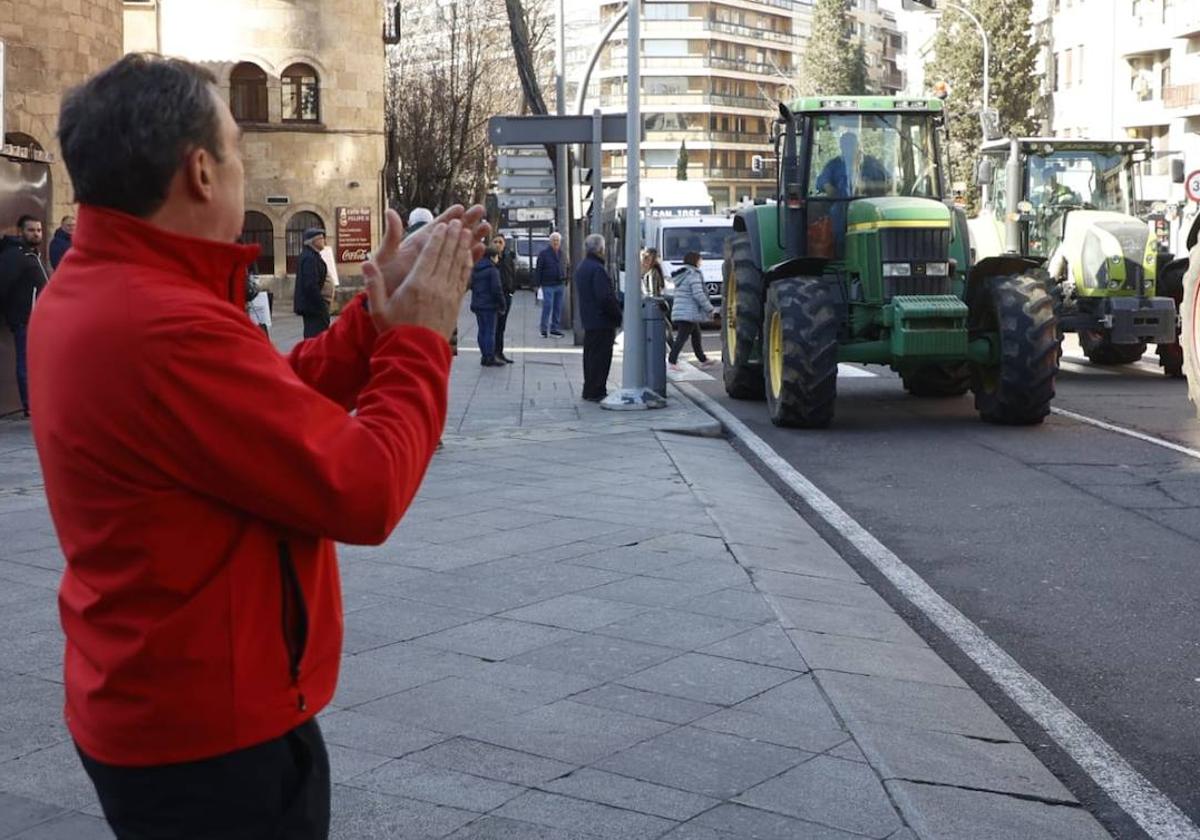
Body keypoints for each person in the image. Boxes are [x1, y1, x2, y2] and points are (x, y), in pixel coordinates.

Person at [30, 53, 489, 840]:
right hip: (212, 738)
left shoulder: (103, 286)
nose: (244, 168)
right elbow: (366, 488)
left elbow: (258, 404)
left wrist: (371, 325)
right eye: (238, 148)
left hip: (158, 702)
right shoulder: (162, 322)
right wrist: (419, 339)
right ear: (201, 171)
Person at [0, 215, 49, 418]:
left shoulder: (32, 254)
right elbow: (4, 285)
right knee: (25, 362)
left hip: (39, 318)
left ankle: (38, 402)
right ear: (20, 232)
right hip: (25, 318)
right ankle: (30, 405)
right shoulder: (15, 255)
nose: (36, 234)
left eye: (38, 230)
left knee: (36, 362)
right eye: (31, 230)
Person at [575, 234, 623, 402]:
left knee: (591, 357)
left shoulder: (583, 266)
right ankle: (596, 390)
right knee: (601, 359)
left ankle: (590, 389)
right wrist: (617, 315)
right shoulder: (597, 269)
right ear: (601, 249)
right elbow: (605, 297)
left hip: (590, 320)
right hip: (602, 321)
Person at [668, 251, 717, 371]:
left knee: (696, 336)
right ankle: (671, 361)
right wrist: (710, 308)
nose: (701, 262)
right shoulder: (693, 274)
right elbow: (698, 294)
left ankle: (703, 360)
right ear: (695, 260)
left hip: (685, 311)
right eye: (700, 259)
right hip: (687, 312)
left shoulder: (683, 273)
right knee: (682, 338)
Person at [815, 132, 888, 199]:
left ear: (857, 146)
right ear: (841, 147)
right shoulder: (834, 165)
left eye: (851, 145)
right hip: (841, 205)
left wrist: (867, 185)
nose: (849, 149)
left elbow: (891, 183)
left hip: (867, 204)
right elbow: (821, 182)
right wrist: (827, 186)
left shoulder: (871, 163)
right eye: (845, 145)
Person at [471, 246, 506, 367]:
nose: (498, 259)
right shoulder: (493, 270)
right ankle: (490, 357)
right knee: (490, 332)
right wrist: (502, 303)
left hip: (477, 304)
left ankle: (484, 355)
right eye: (497, 257)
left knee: (482, 330)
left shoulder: (476, 269)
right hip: (490, 305)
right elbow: (497, 289)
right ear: (492, 257)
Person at [294, 226, 330, 337]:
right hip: (313, 307)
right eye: (321, 238)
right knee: (315, 335)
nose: (324, 241)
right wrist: (321, 304)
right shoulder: (310, 258)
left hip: (313, 306)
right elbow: (310, 284)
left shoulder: (312, 255)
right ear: (313, 241)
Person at [535, 231, 566, 337]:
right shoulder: (544, 254)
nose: (556, 242)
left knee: (558, 307)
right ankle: (544, 328)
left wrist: (566, 278)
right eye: (554, 240)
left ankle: (555, 328)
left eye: (558, 240)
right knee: (548, 306)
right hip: (547, 284)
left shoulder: (562, 253)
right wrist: (537, 284)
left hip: (560, 283)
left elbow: (565, 266)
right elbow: (538, 269)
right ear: (550, 242)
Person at [493, 234, 516, 364]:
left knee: (502, 327)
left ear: (504, 244)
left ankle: (500, 353)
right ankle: (492, 353)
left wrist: (512, 289)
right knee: (494, 327)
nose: (497, 244)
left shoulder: (507, 257)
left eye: (500, 242)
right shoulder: (491, 259)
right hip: (495, 296)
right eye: (495, 242)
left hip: (507, 295)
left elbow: (512, 273)